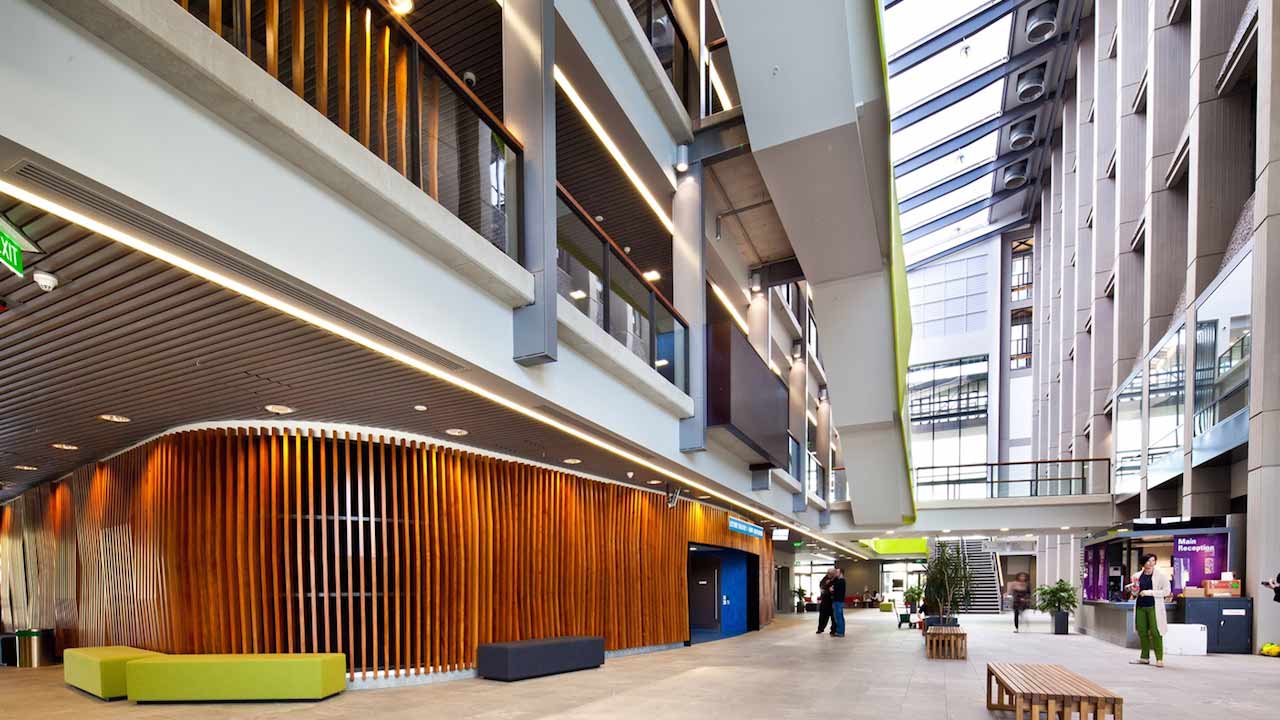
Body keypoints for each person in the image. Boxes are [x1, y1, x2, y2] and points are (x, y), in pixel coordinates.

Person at [1130, 553, 1170, 667]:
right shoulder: (1137, 576)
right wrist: (1134, 590)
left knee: (1156, 631)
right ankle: (1144, 657)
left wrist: (1149, 592)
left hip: (1154, 607)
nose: (1151, 563)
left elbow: (1166, 592)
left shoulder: (1161, 576)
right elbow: (1135, 593)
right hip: (1140, 607)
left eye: (1153, 561)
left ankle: (1159, 659)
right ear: (1143, 563)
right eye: (1148, 561)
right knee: (1142, 632)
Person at [815, 568, 836, 635]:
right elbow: (822, 587)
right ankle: (820, 629)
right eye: (828, 573)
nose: (829, 574)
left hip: (832, 600)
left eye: (831, 573)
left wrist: (829, 590)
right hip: (824, 600)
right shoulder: (824, 579)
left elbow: (834, 589)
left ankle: (833, 630)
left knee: (833, 617)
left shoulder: (835, 579)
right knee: (822, 616)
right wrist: (825, 588)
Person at [831, 568, 847, 637]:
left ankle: (840, 632)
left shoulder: (841, 581)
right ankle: (840, 631)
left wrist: (832, 589)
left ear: (841, 573)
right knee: (838, 617)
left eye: (837, 572)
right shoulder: (838, 580)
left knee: (838, 617)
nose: (835, 573)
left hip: (838, 601)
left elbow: (833, 589)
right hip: (837, 601)